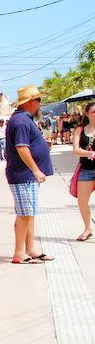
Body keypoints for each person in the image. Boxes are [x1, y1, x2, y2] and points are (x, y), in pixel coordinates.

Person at [5, 84, 54, 264]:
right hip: (23, 175)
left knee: (29, 213)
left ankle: (30, 249)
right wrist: (35, 169)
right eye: (39, 100)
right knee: (24, 214)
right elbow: (21, 148)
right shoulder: (20, 121)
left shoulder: (24, 119)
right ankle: (19, 253)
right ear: (32, 102)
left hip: (27, 177)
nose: (40, 104)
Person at [71, 102, 95, 241]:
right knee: (82, 202)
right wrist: (90, 153)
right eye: (93, 112)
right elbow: (75, 150)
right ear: (86, 113)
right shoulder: (80, 129)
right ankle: (88, 228)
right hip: (86, 169)